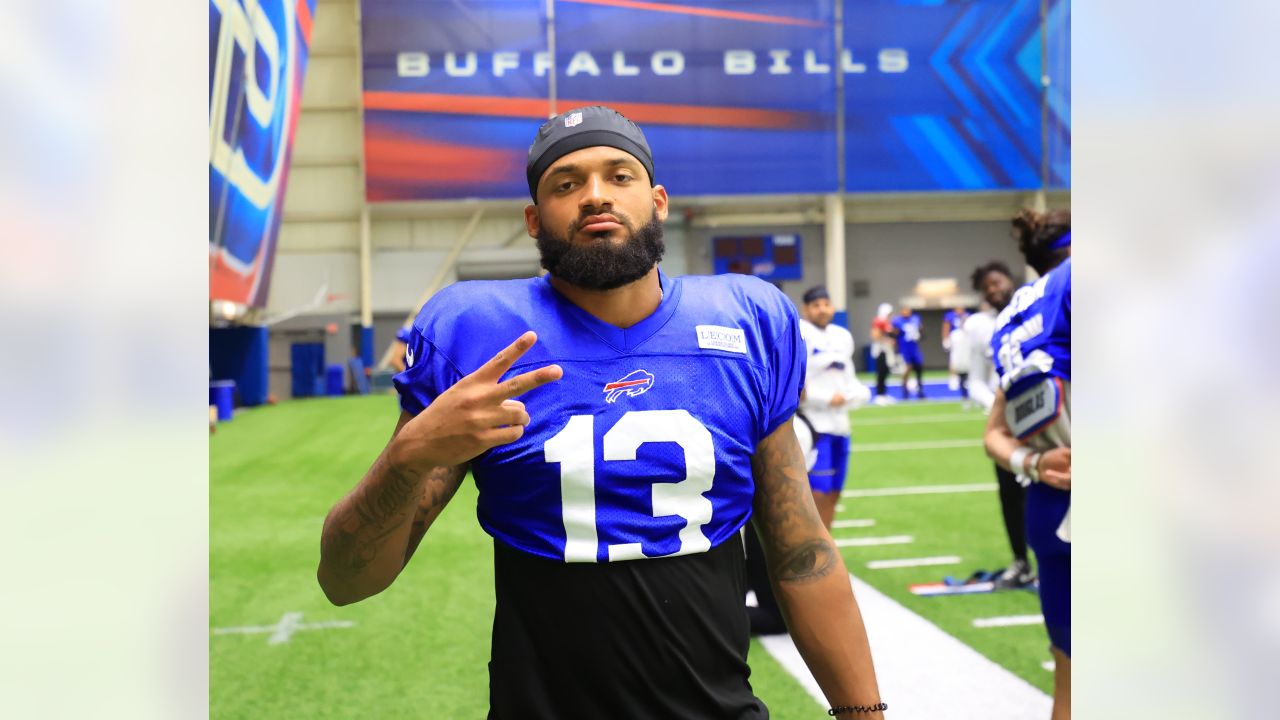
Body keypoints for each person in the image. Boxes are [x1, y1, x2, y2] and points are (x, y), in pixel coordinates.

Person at [317, 106, 884, 719]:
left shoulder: (745, 319)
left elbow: (802, 554)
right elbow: (346, 582)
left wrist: (864, 714)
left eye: (619, 176)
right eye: (566, 184)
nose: (594, 197)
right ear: (534, 220)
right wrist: (406, 457)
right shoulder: (477, 334)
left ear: (658, 200)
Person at [983, 208, 1071, 720]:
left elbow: (993, 434)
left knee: (1071, 685)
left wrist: (1033, 463)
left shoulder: (1012, 316)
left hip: (1050, 501)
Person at [966, 261, 1035, 590]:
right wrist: (996, 404)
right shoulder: (978, 326)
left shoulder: (1035, 307)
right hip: (1006, 424)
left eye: (998, 282)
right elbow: (976, 380)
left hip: (1043, 417)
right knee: (1010, 495)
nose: (994, 290)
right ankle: (1020, 560)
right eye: (987, 287)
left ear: (1011, 279)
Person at [798, 285, 870, 529]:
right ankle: (812, 550)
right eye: (816, 305)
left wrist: (855, 395)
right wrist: (825, 399)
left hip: (840, 425)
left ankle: (827, 545)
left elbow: (849, 378)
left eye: (826, 304)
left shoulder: (841, 336)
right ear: (806, 309)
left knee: (835, 491)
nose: (822, 309)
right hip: (815, 425)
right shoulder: (800, 334)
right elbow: (797, 385)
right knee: (817, 492)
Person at [890, 306, 925, 399]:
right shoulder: (897, 321)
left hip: (914, 347)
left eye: (908, 311)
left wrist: (920, 333)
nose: (906, 312)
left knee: (919, 367)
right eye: (904, 311)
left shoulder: (915, 319)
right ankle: (905, 389)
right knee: (907, 368)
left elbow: (921, 329)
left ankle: (920, 388)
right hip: (904, 348)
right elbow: (894, 334)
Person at [868, 303, 896, 405]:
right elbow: (875, 335)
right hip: (880, 350)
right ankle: (879, 395)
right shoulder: (878, 321)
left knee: (886, 372)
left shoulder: (888, 322)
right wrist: (887, 340)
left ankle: (884, 394)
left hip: (887, 350)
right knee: (881, 372)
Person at [942, 306, 971, 398]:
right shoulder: (954, 331)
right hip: (956, 343)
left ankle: (968, 382)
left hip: (966, 344)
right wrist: (945, 340)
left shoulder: (967, 317)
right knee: (954, 359)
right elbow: (946, 327)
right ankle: (953, 379)